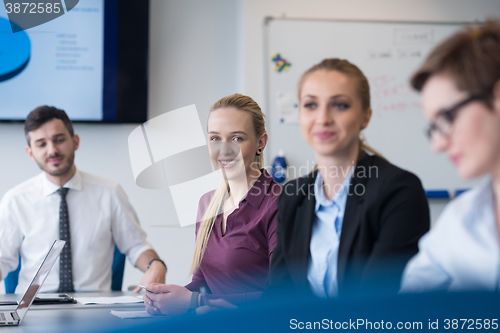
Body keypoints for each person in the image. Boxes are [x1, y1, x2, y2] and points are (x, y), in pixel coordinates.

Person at [265, 59, 430, 298]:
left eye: (340, 105)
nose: (323, 118)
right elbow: (278, 294)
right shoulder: (292, 195)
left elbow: (379, 302)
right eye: (310, 105)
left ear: (365, 117)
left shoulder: (399, 190)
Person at [0, 106, 167, 293]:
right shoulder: (15, 200)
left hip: (93, 308)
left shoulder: (109, 192)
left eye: (59, 140)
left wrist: (156, 265)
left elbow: (136, 246)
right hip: (34, 308)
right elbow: (2, 259)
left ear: (75, 141)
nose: (52, 150)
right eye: (41, 144)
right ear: (30, 153)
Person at [144, 94, 281, 316]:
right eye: (215, 138)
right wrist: (165, 298)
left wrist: (195, 301)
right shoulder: (207, 203)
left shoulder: (279, 204)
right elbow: (202, 282)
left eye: (237, 138)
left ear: (260, 143)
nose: (224, 150)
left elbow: (281, 296)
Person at [401, 20, 500, 292]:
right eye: (433, 127)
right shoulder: (460, 220)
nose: (438, 145)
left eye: (447, 118)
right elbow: (407, 307)